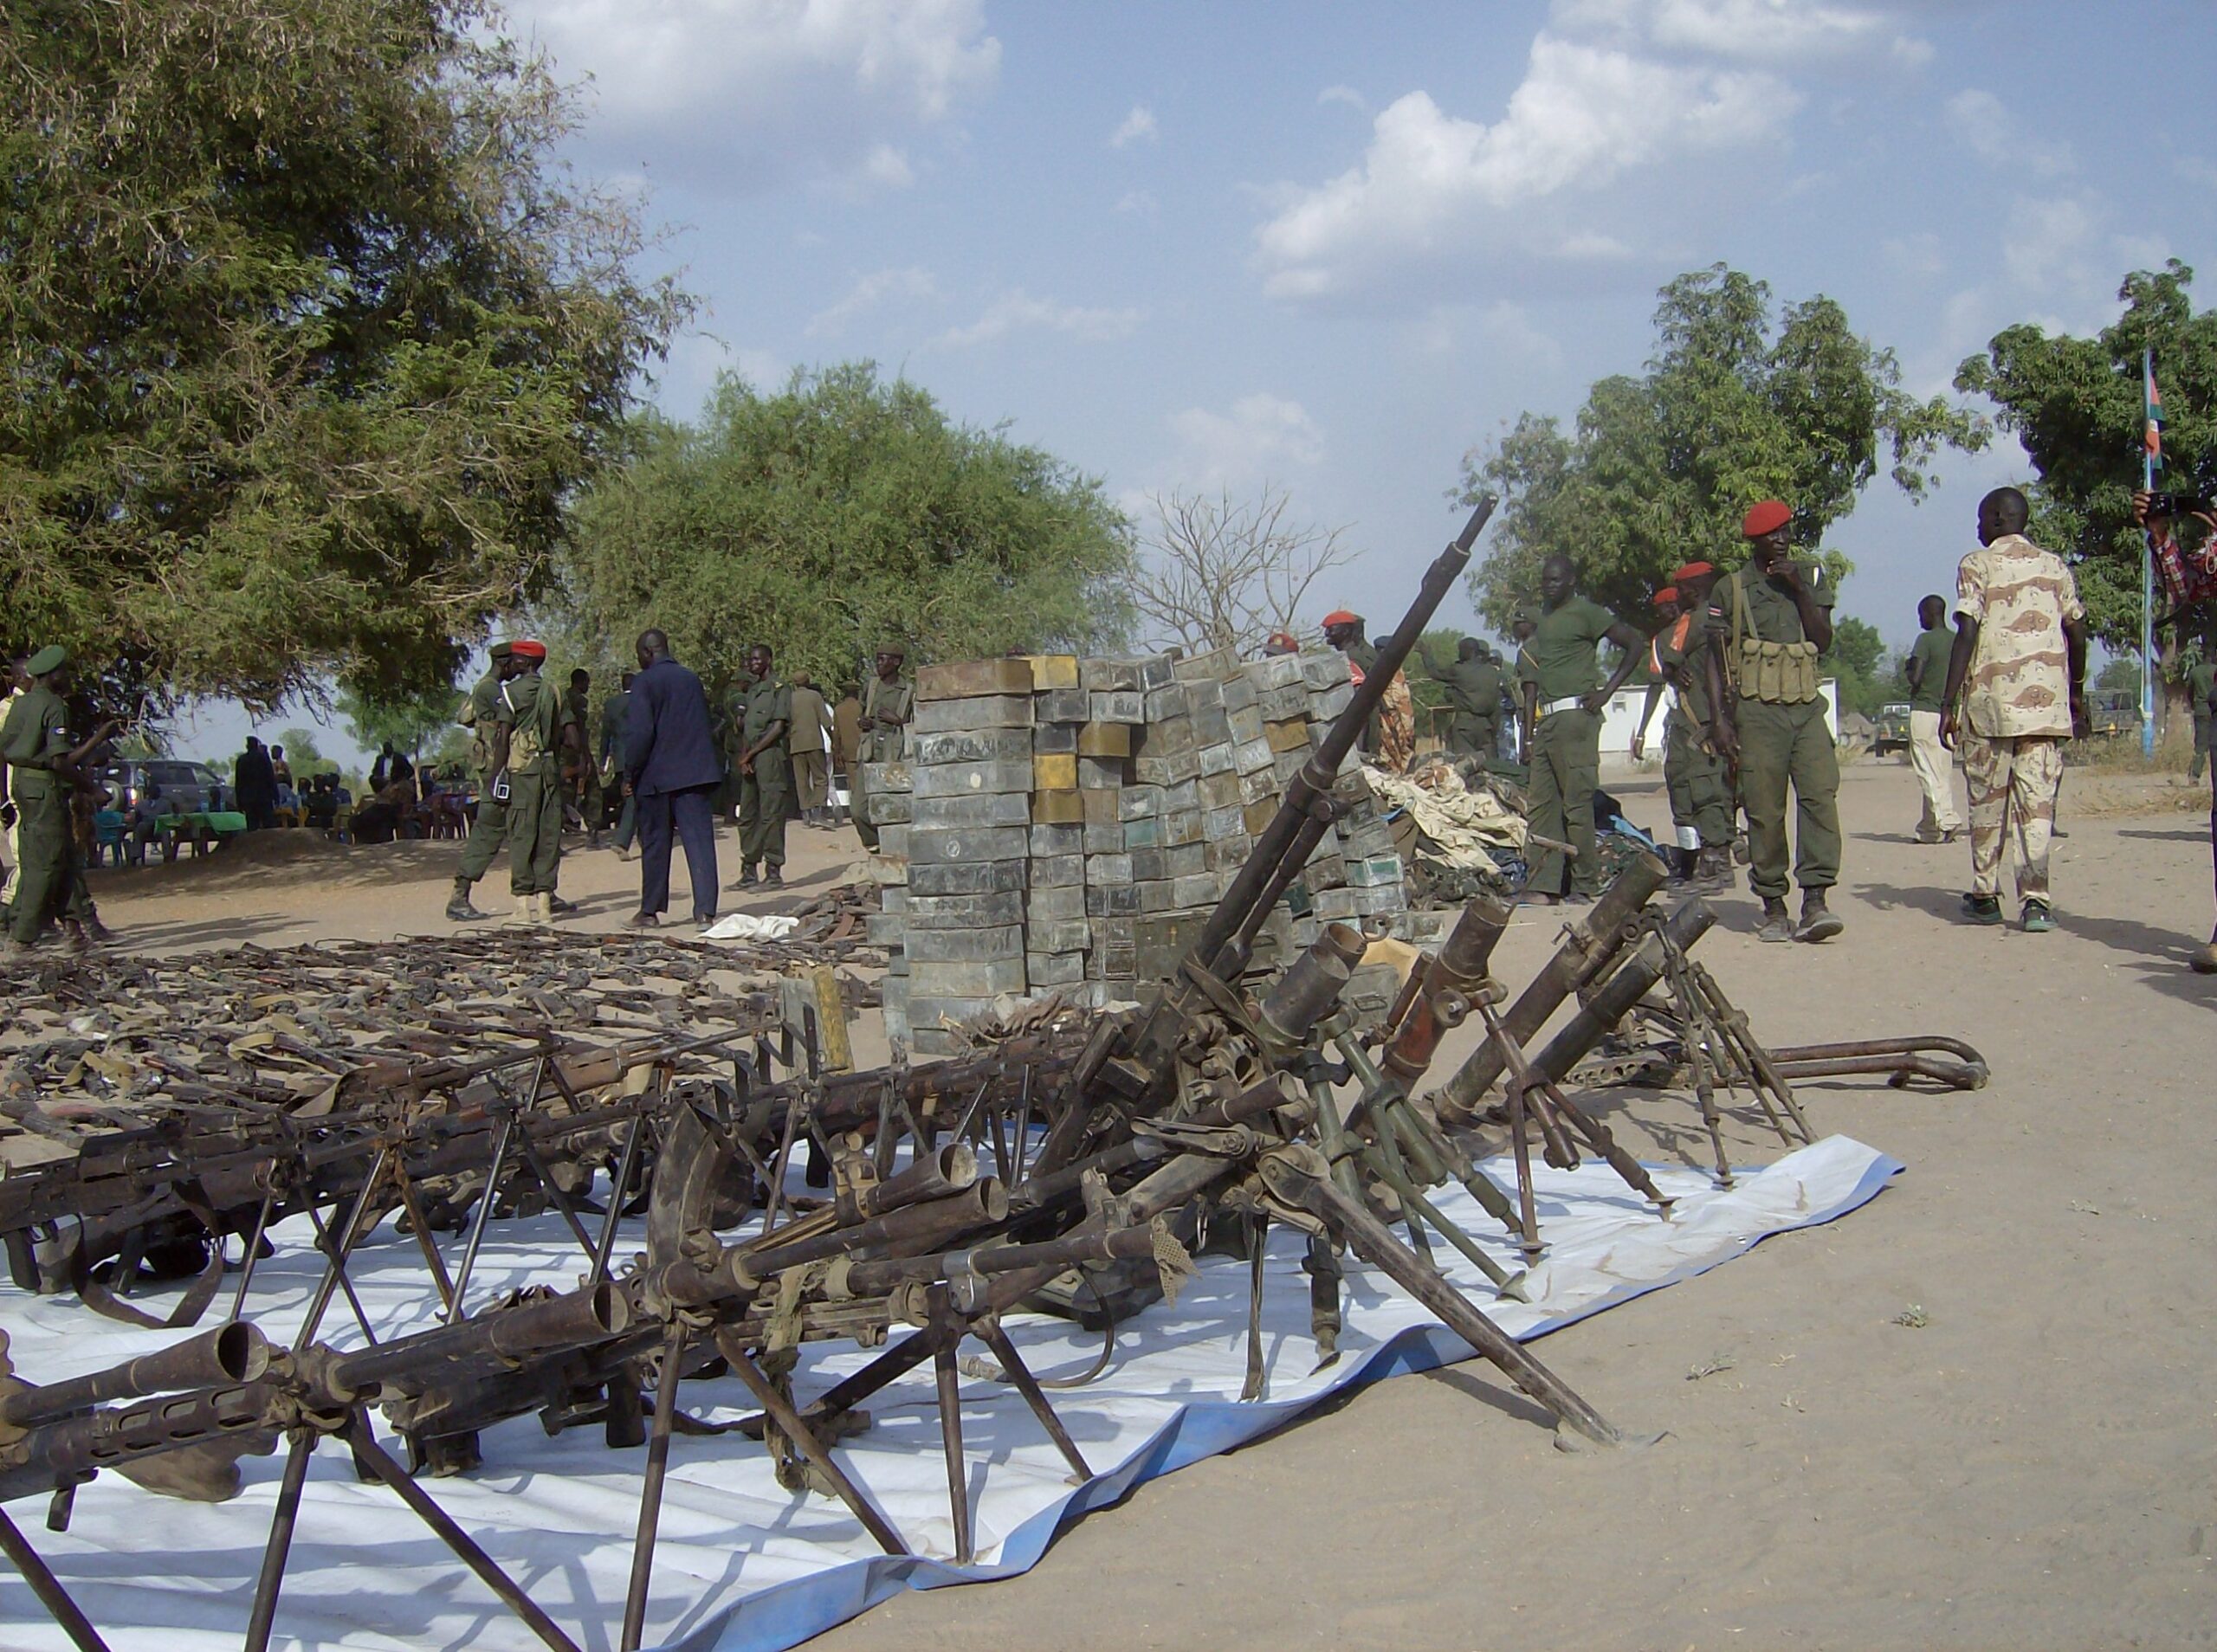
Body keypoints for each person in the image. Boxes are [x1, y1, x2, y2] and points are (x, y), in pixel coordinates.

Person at [1938, 486, 2088, 933]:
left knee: (1987, 801)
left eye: (1983, 518)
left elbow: (1966, 630)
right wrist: (2075, 689)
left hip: (1991, 708)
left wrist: (1948, 703)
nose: (1978, 527)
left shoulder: (1975, 564)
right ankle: (2036, 903)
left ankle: (1985, 895)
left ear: (2000, 519)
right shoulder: (2055, 567)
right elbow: (2077, 633)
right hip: (2046, 712)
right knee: (2037, 807)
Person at [1706, 500, 1844, 943]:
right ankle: (1772, 905)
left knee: (1820, 797)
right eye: (1772, 533)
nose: (1782, 539)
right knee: (1764, 810)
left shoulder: (1811, 575)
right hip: (1756, 713)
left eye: (1786, 530)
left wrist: (1799, 589)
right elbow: (1714, 660)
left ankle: (1816, 900)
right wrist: (1720, 723)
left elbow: (1821, 640)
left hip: (1805, 708)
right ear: (1754, 541)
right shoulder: (1730, 590)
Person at [1515, 556, 1646, 905]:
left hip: (1576, 718)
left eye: (1556, 580)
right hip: (1548, 720)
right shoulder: (1543, 616)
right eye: (1545, 580)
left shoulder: (1588, 613)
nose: (1549, 585)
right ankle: (1545, 885)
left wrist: (1607, 692)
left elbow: (1634, 644)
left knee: (1577, 804)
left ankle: (1585, 884)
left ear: (1571, 581)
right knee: (1542, 804)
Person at [1, 648, 118, 954]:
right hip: (45, 790)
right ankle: (22, 938)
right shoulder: (54, 707)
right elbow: (60, 762)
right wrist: (92, 788)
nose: (66, 678)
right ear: (52, 675)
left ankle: (74, 929)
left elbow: (8, 747)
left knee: (62, 858)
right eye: (63, 672)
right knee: (44, 865)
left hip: (22, 786)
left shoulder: (20, 705)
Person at [1632, 567, 1732, 889]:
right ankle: (1706, 861)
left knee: (1701, 791)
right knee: (1700, 789)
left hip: (1696, 721)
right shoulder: (1719, 615)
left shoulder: (1690, 623)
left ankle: (1714, 865)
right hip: (1707, 719)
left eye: (1683, 591)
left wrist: (1675, 672)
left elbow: (1670, 667)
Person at [625, 629, 722, 927]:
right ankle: (705, 911)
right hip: (694, 773)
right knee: (700, 844)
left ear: (646, 652)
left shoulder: (645, 682)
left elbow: (641, 733)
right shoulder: (690, 678)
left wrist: (629, 772)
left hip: (656, 777)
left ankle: (650, 912)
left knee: (656, 844)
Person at [488, 639, 577, 926]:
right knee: (549, 833)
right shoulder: (554, 692)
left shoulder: (511, 694)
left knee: (522, 832)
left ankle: (522, 906)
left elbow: (502, 738)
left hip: (522, 772)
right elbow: (572, 739)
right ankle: (545, 903)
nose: (510, 664)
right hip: (549, 769)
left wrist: (495, 776)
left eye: (514, 660)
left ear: (524, 663)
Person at [448, 641, 519, 921]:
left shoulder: (491, 688)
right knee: (488, 830)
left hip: (501, 769)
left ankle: (545, 892)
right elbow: (500, 730)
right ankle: (459, 896)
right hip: (496, 772)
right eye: (515, 662)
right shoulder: (490, 689)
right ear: (505, 663)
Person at [1904, 594, 1965, 843]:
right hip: (1950, 714)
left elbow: (1916, 678)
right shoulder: (1958, 641)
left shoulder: (1925, 641)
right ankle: (1928, 830)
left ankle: (1947, 819)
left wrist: (1908, 667)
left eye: (1921, 615)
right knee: (1941, 771)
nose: (1920, 620)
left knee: (1926, 770)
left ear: (1931, 614)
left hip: (1925, 711)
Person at [734, 643, 792, 887]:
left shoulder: (780, 688)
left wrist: (752, 754)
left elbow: (778, 728)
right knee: (747, 815)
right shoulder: (753, 690)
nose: (753, 663)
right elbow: (747, 727)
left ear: (769, 660)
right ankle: (749, 870)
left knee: (771, 815)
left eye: (758, 659)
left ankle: (773, 871)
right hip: (751, 758)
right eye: (750, 659)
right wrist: (745, 755)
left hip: (770, 757)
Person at [853, 645, 913, 852]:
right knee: (858, 810)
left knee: (894, 808)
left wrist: (899, 721)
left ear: (896, 662)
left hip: (893, 754)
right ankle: (875, 846)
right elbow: (862, 714)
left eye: (883, 660)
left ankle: (893, 849)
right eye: (877, 659)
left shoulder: (909, 691)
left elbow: (919, 726)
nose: (878, 664)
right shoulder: (871, 686)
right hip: (869, 752)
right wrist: (863, 722)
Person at [1417, 636, 1507, 760]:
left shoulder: (1459, 670)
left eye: (1461, 650)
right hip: (1486, 727)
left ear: (1469, 651)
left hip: (1465, 727)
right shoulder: (1492, 673)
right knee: (1489, 767)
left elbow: (1435, 672)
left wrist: (1426, 654)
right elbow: (1496, 704)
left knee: (1465, 766)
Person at [561, 668, 604, 849]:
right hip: (576, 750)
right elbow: (578, 729)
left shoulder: (561, 698)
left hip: (562, 751)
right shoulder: (579, 700)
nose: (588, 685)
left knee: (562, 793)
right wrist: (585, 756)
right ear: (580, 682)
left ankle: (555, 839)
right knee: (593, 789)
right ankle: (593, 831)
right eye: (587, 681)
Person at [787, 671, 835, 826]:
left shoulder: (789, 698)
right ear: (808, 681)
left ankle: (805, 815)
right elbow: (825, 721)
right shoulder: (815, 696)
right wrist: (834, 740)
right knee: (820, 777)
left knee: (801, 779)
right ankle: (819, 811)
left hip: (796, 743)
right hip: (814, 742)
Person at [233, 736, 276, 831]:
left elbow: (239, 783)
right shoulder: (264, 759)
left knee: (252, 827)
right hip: (264, 798)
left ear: (247, 746)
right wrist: (275, 796)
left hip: (248, 799)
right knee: (269, 827)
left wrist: (239, 802)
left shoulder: (241, 760)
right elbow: (271, 778)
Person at [2186, 645, 2215, 784]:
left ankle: (2194, 776)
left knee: (2200, 746)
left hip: (2200, 711)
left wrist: (2193, 706)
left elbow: (2189, 692)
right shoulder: (2215, 670)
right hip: (2214, 711)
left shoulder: (2194, 672)